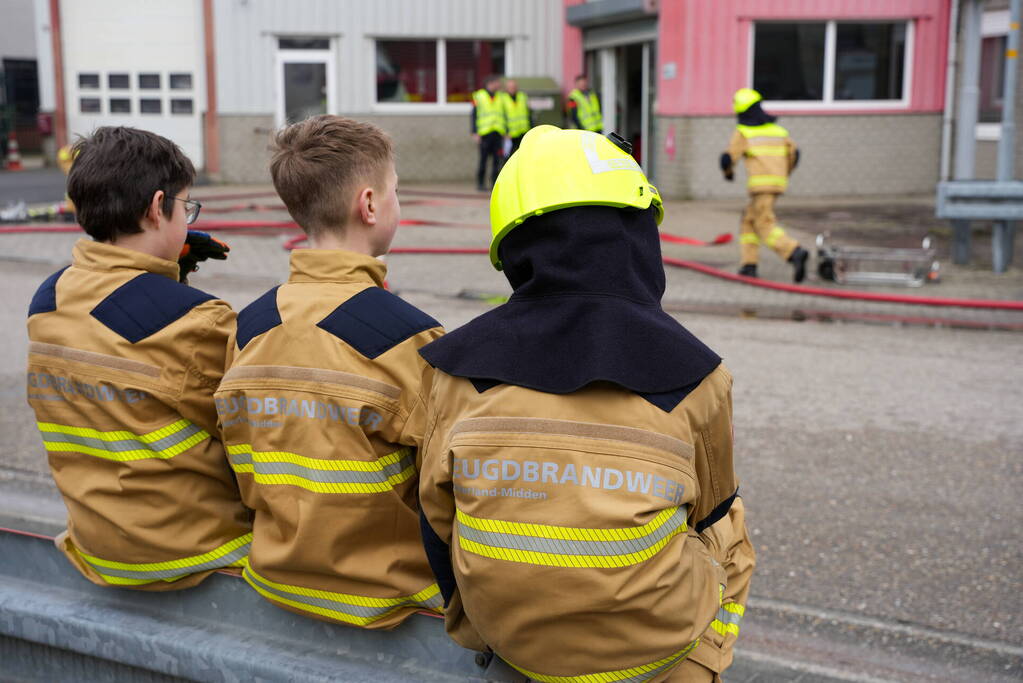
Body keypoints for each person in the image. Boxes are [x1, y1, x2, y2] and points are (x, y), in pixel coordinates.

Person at [417, 126, 755, 682]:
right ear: (640, 236)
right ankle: (705, 661)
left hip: (508, 639)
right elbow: (711, 512)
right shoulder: (699, 376)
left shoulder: (455, 371)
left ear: (514, 248)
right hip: (657, 653)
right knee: (728, 518)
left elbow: (437, 520)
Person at [214, 115, 445, 629]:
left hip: (278, 583)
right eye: (394, 192)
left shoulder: (249, 326)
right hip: (391, 599)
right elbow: (446, 488)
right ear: (368, 205)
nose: (395, 204)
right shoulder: (411, 338)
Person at [25, 126, 252, 590]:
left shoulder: (48, 301)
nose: (188, 220)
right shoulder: (199, 323)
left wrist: (168, 276)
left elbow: (127, 342)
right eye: (185, 207)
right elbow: (252, 437)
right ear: (155, 208)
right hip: (197, 556)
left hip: (99, 549)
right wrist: (174, 291)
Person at [720, 88, 808, 282]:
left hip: (760, 187)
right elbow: (795, 154)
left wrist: (728, 174)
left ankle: (794, 252)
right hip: (777, 184)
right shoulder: (779, 131)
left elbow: (727, 158)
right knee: (748, 221)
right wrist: (784, 174)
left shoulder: (744, 132)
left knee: (763, 223)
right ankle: (749, 265)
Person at [471, 75, 506, 191]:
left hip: (498, 132)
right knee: (483, 160)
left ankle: (494, 184)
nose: (499, 85)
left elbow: (505, 115)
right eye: (497, 83)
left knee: (497, 160)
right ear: (490, 84)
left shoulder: (501, 97)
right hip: (484, 133)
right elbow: (474, 115)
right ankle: (480, 184)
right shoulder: (479, 96)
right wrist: (474, 132)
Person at [498, 79, 532, 155]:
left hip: (523, 131)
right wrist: (505, 132)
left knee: (523, 154)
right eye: (510, 87)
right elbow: (500, 117)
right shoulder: (502, 98)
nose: (512, 89)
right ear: (506, 88)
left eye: (514, 87)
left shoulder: (522, 96)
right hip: (510, 133)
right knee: (509, 156)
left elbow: (528, 113)